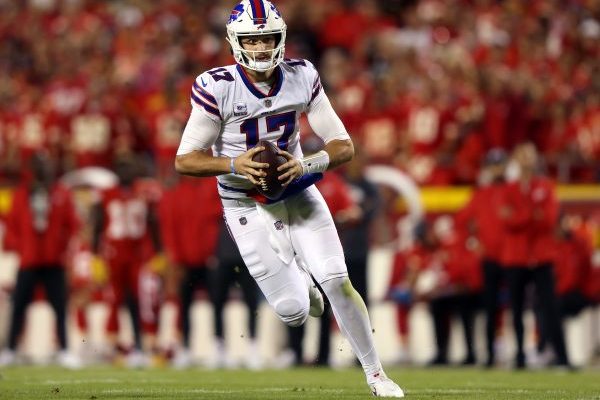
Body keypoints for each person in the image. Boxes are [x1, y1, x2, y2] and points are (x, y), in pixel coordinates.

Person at [174, 1, 403, 396]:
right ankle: (299, 272)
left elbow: (343, 146)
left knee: (337, 279)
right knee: (294, 312)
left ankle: (376, 374)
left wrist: (306, 165)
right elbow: (185, 160)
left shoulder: (301, 75)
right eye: (252, 39)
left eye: (266, 38)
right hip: (244, 202)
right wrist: (233, 164)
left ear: (279, 38)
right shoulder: (217, 87)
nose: (261, 48)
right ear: (235, 42)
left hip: (297, 191)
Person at [0, 153, 81, 368]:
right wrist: (23, 248)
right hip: (29, 260)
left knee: (60, 307)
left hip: (53, 261)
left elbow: (72, 225)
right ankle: (10, 349)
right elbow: (12, 226)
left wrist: (62, 249)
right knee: (19, 305)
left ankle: (64, 349)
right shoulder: (21, 194)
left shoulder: (60, 193)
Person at [499, 142, 569, 369]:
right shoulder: (509, 189)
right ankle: (519, 355)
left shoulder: (545, 186)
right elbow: (506, 221)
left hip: (541, 256)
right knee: (517, 309)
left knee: (550, 306)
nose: (527, 159)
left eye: (530, 154)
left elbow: (549, 219)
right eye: (522, 155)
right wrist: (532, 214)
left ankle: (562, 355)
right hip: (517, 257)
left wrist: (520, 216)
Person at [91, 156, 165, 367]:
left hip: (138, 255)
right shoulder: (106, 194)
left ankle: (148, 347)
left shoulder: (142, 192)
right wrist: (96, 254)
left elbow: (152, 221)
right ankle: (113, 350)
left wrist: (158, 252)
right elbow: (98, 222)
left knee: (145, 302)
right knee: (114, 300)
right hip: (114, 254)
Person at [454, 148, 508, 367]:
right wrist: (474, 242)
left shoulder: (512, 191)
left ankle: (518, 350)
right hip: (490, 258)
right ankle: (491, 353)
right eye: (493, 165)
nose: (496, 169)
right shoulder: (481, 194)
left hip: (513, 257)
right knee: (490, 305)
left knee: (511, 303)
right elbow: (461, 221)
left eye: (499, 164)